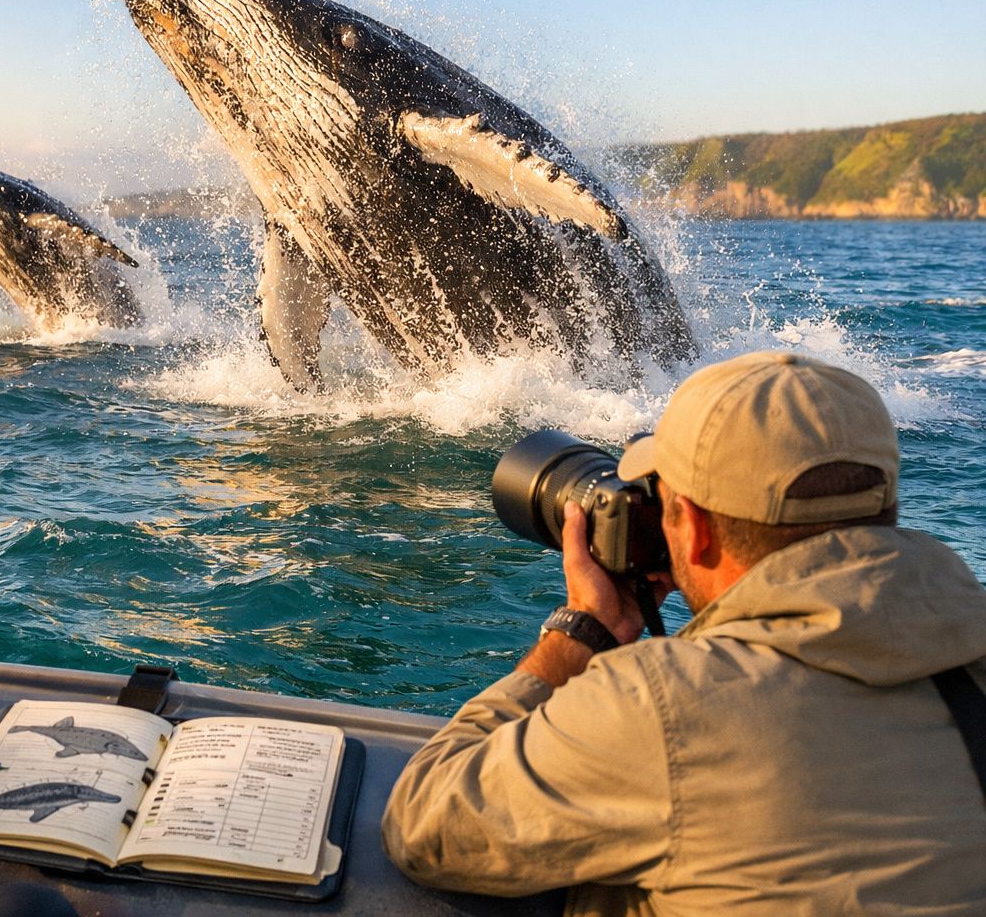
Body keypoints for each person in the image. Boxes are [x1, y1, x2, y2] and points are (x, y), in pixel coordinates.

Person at [382, 351, 986, 915]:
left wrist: (581, 631)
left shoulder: (665, 703)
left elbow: (426, 824)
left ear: (692, 530)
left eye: (661, 502)